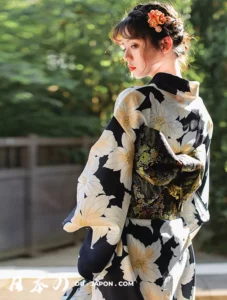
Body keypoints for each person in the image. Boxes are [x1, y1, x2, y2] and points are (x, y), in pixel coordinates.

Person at [61, 2, 213, 299]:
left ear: (165, 44)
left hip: (133, 243)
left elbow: (107, 176)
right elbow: (199, 193)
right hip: (174, 240)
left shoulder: (136, 101)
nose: (126, 56)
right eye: (123, 47)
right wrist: (179, 231)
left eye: (134, 45)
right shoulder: (200, 110)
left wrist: (99, 239)